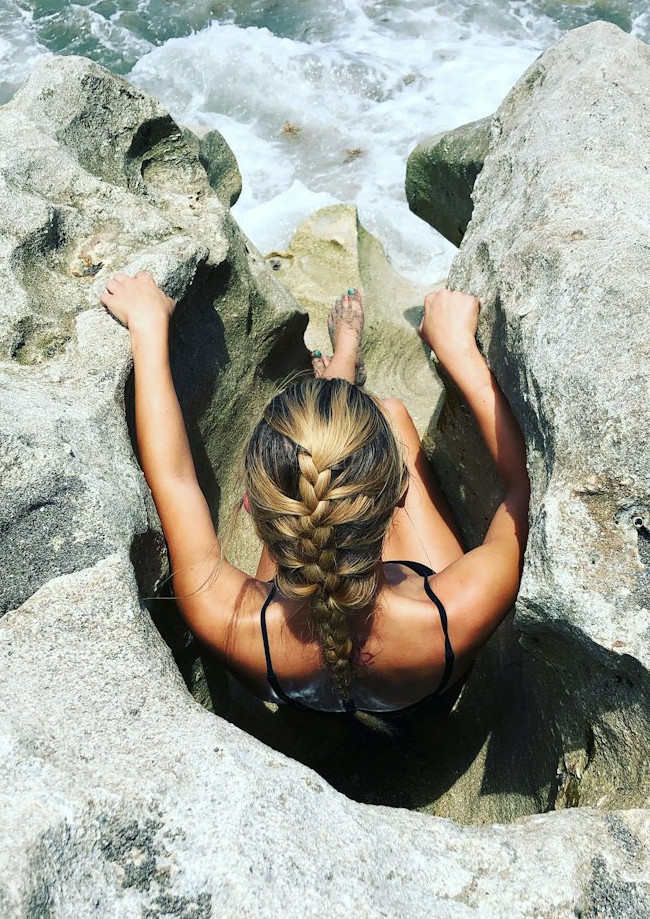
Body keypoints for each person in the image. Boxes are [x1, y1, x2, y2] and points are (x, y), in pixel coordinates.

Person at [100, 271, 529, 724]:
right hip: (421, 667)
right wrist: (457, 350)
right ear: (400, 493)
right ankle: (345, 379)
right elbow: (522, 486)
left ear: (252, 509)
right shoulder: (459, 610)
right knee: (389, 414)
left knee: (301, 473)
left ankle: (341, 372)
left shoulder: (222, 617)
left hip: (287, 662)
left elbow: (173, 478)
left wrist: (148, 329)